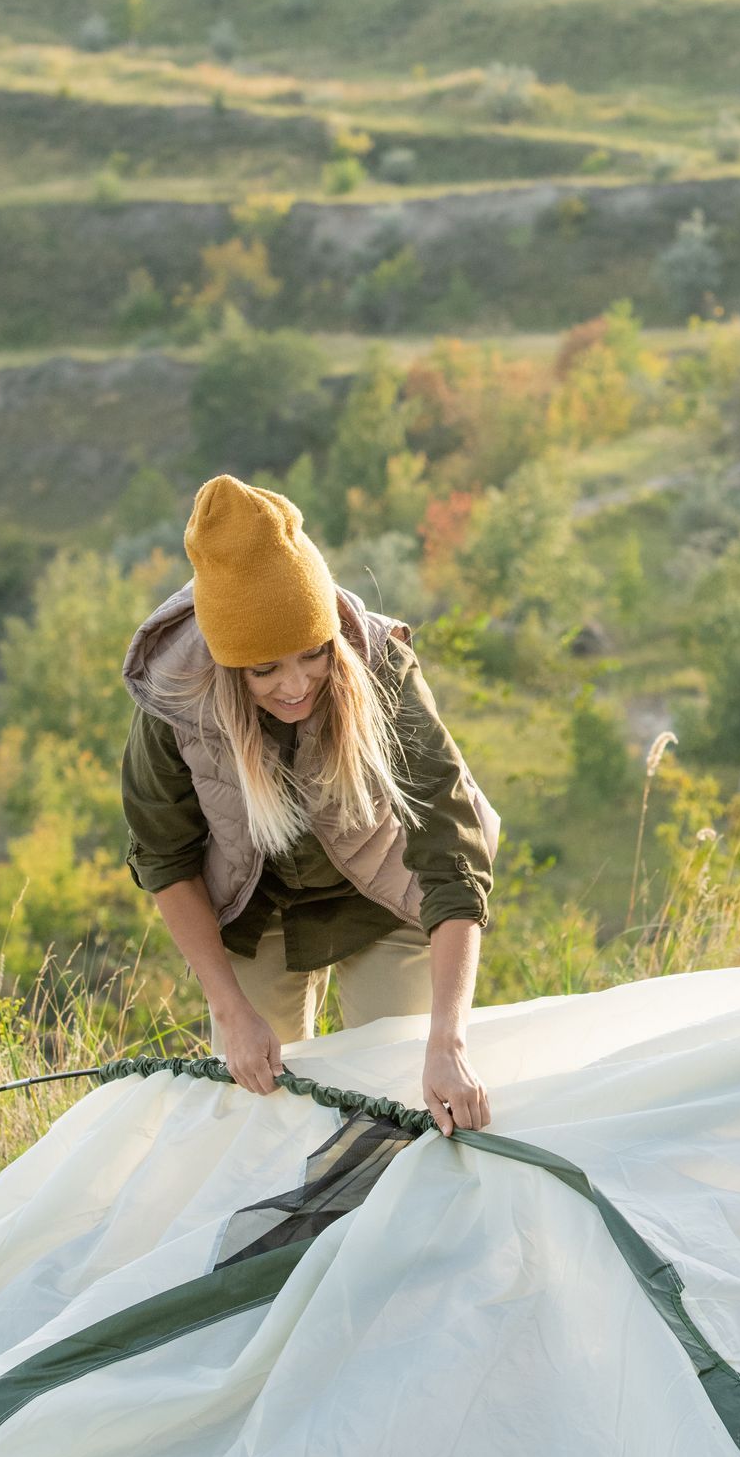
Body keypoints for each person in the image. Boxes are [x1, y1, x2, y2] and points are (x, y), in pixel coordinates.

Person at [121, 474, 497, 1131]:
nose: (295, 686)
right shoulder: (176, 702)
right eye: (265, 670)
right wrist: (231, 1011)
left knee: (407, 1100)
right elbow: (165, 859)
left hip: (383, 892)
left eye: (312, 655)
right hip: (253, 905)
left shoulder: (380, 667)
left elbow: (451, 850)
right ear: (226, 664)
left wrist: (448, 1043)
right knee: (260, 1112)